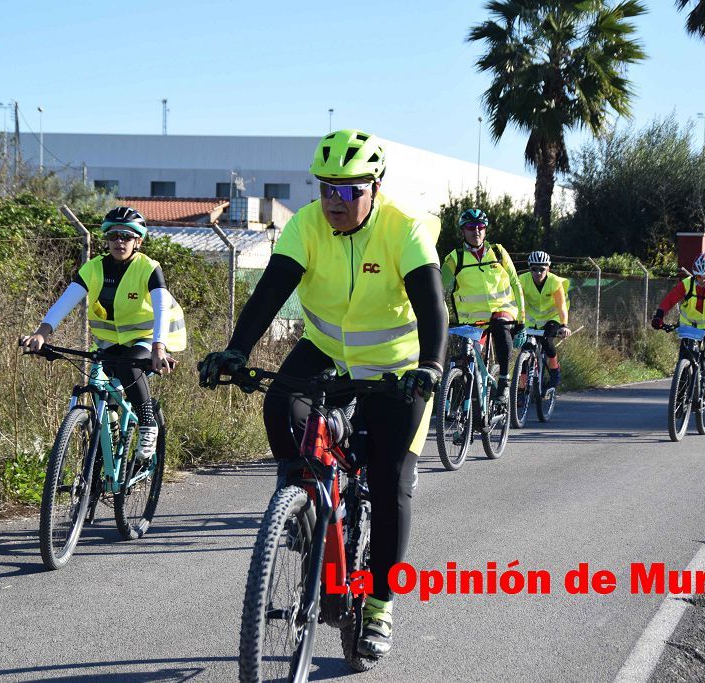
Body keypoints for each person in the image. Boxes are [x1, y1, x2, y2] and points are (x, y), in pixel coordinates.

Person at [197, 129, 447, 660]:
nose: (335, 200)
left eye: (349, 190)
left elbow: (432, 310)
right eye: (327, 188)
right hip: (327, 348)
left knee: (389, 485)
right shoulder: (307, 226)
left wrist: (430, 366)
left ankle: (379, 604)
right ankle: (305, 506)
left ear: (374, 187)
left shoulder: (404, 231)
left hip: (396, 368)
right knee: (279, 404)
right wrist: (237, 350)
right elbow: (271, 290)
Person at [20, 206, 186, 462]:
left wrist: (158, 348)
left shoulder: (149, 268)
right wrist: (42, 333)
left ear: (138, 241)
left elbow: (162, 306)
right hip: (110, 342)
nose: (119, 241)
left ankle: (147, 424)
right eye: (114, 235)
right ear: (107, 239)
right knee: (101, 384)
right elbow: (66, 301)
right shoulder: (94, 268)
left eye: (127, 236)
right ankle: (106, 447)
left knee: (129, 369)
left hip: (148, 338)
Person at [440, 208, 525, 406]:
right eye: (471, 227)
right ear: (463, 230)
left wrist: (521, 320)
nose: (476, 231)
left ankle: (504, 379)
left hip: (502, 310)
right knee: (465, 359)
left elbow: (515, 283)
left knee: (500, 324)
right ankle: (464, 404)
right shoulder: (455, 258)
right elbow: (440, 289)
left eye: (480, 227)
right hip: (472, 320)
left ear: (485, 230)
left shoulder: (498, 252)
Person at [651, 251, 705, 395]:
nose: (703, 280)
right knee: (685, 357)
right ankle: (679, 397)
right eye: (699, 276)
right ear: (694, 274)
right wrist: (659, 316)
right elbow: (670, 300)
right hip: (691, 327)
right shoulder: (687, 284)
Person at [518, 250, 571, 387]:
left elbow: (561, 306)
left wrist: (564, 325)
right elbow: (517, 304)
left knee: (547, 342)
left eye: (542, 269)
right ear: (529, 268)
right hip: (530, 319)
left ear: (548, 268)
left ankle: (554, 371)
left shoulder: (554, 282)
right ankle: (521, 389)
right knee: (525, 349)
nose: (538, 273)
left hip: (552, 318)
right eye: (534, 269)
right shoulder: (522, 280)